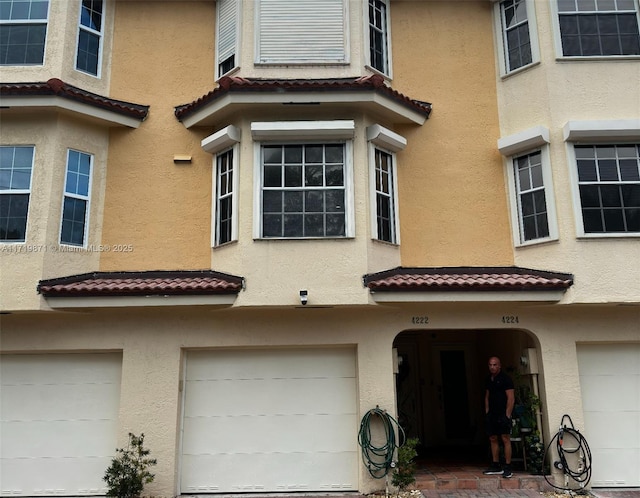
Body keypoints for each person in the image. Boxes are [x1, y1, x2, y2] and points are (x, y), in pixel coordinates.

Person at [483, 356, 515, 478]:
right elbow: (487, 396)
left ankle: (508, 466)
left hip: (503, 413)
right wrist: (487, 411)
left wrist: (507, 414)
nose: (492, 367)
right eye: (490, 365)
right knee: (493, 438)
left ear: (499, 365)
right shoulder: (488, 379)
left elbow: (511, 398)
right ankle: (495, 464)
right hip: (492, 413)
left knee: (505, 438)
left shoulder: (506, 379)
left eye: (495, 365)